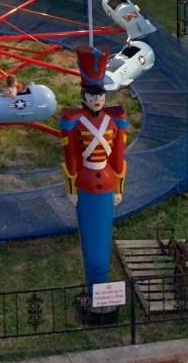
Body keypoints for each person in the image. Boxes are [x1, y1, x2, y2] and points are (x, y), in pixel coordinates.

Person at [59, 45, 128, 290]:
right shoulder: (73, 121)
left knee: (102, 235)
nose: (97, 101)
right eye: (92, 97)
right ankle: (93, 283)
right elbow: (72, 156)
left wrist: (119, 187)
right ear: (84, 96)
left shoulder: (115, 120)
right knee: (91, 237)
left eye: (100, 97)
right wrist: (72, 188)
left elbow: (118, 156)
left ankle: (100, 286)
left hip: (107, 181)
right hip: (85, 181)